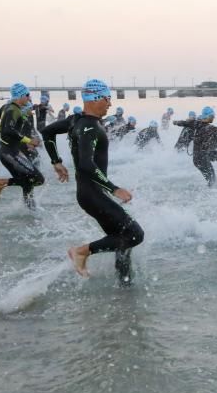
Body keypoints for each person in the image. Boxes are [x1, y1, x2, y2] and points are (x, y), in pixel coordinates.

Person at [41, 79, 144, 284]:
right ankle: (81, 252)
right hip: (93, 193)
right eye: (107, 99)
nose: (109, 104)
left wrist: (56, 161)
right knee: (134, 235)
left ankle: (125, 287)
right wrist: (113, 188)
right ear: (95, 98)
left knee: (121, 240)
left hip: (89, 193)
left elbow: (47, 132)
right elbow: (86, 165)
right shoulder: (90, 126)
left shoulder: (76, 120)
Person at [0, 83, 45, 208]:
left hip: (11, 151)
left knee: (28, 183)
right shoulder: (13, 109)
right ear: (20, 95)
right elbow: (8, 130)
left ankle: (30, 211)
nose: (29, 97)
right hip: (9, 153)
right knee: (38, 179)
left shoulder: (9, 107)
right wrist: (28, 141)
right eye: (27, 95)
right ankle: (2, 182)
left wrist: (3, 130)